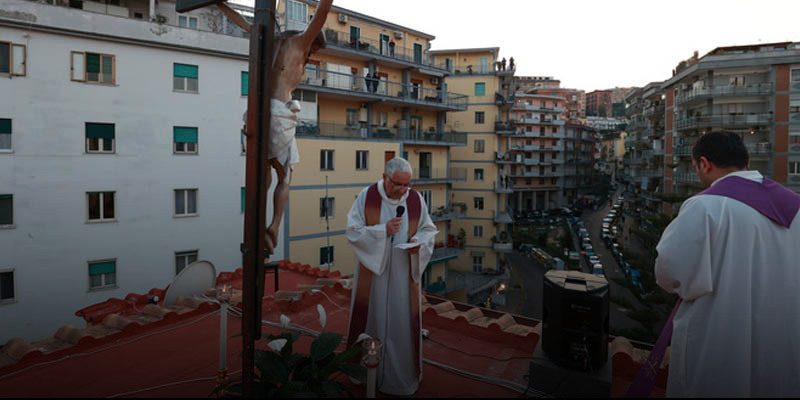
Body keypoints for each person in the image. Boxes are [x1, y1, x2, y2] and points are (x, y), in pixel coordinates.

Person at [654, 131, 800, 397]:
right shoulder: (796, 208)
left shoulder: (705, 207)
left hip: (718, 346)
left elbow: (670, 274)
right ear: (745, 162)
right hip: (783, 350)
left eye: (697, 167)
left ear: (705, 164)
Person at [346, 158, 438, 396]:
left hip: (403, 276)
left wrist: (419, 243)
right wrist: (381, 231)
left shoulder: (416, 200)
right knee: (371, 320)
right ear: (384, 176)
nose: (402, 190)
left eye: (406, 185)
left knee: (401, 326)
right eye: (397, 184)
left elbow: (428, 229)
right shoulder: (366, 197)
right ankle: (364, 374)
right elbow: (352, 231)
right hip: (373, 278)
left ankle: (400, 379)